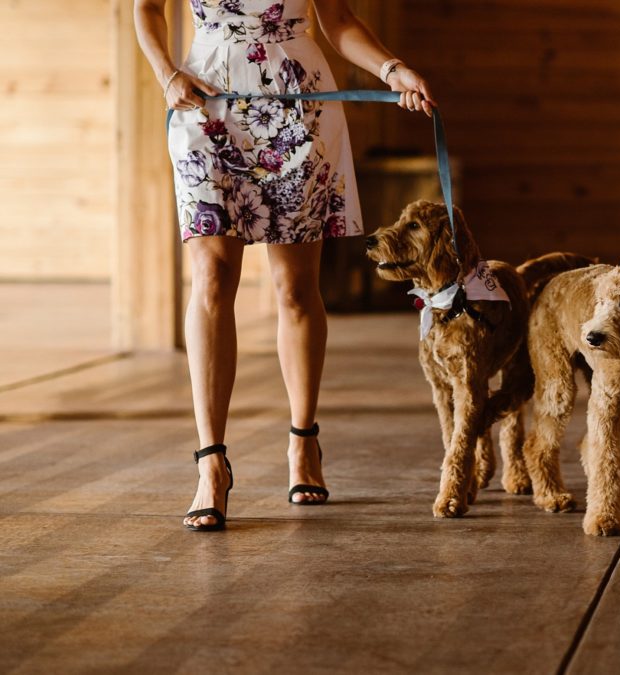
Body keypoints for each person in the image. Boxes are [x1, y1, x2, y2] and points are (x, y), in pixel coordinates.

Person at [134, 0, 435, 531]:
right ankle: (211, 465)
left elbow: (338, 22)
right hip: (206, 101)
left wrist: (393, 70)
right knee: (212, 277)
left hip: (302, 108)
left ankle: (303, 443)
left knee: (295, 288)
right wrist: (166, 73)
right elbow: (147, 7)